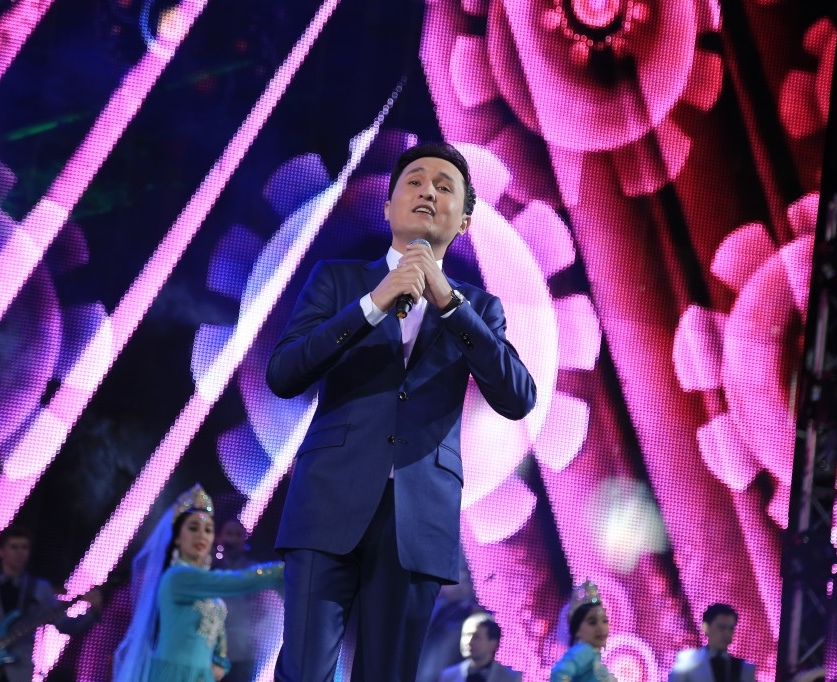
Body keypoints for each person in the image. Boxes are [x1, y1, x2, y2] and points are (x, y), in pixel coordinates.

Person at [266, 141, 537, 682]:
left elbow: (517, 397)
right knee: (303, 671)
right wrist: (373, 304)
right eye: (414, 181)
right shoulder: (337, 280)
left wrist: (449, 303)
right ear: (388, 207)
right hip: (329, 498)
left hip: (419, 517)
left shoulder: (480, 308)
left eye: (444, 186)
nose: (427, 191)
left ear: (464, 221)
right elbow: (284, 373)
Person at [112, 484, 283, 682]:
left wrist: (220, 660)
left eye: (208, 529)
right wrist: (280, 570)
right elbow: (233, 583)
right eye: (193, 528)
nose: (201, 535)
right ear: (177, 537)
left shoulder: (205, 581)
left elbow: (217, 628)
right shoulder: (178, 577)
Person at [0, 525, 103, 682]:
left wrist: (93, 611)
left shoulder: (40, 589)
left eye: (24, 547)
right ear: (1, 551)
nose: (20, 553)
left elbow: (66, 626)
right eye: (14, 547)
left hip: (18, 672)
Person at [212, 517, 283, 682]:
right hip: (212, 651)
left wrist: (257, 636)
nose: (233, 539)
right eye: (229, 534)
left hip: (243, 654)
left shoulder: (255, 572)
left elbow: (268, 609)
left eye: (238, 535)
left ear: (244, 540)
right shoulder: (211, 570)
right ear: (220, 537)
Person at [668, 603, 756, 682]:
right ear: (706, 627)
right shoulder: (687, 664)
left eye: (731, 629)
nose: (727, 634)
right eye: (721, 628)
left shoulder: (746, 669)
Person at [549, 581, 615, 682]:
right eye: (592, 622)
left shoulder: (593, 654)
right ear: (577, 630)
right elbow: (559, 674)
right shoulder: (584, 650)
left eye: (604, 621)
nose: (601, 628)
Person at [439, 618, 522, 682]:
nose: (469, 642)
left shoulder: (511, 678)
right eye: (466, 635)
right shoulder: (448, 675)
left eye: (476, 637)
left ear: (493, 644)